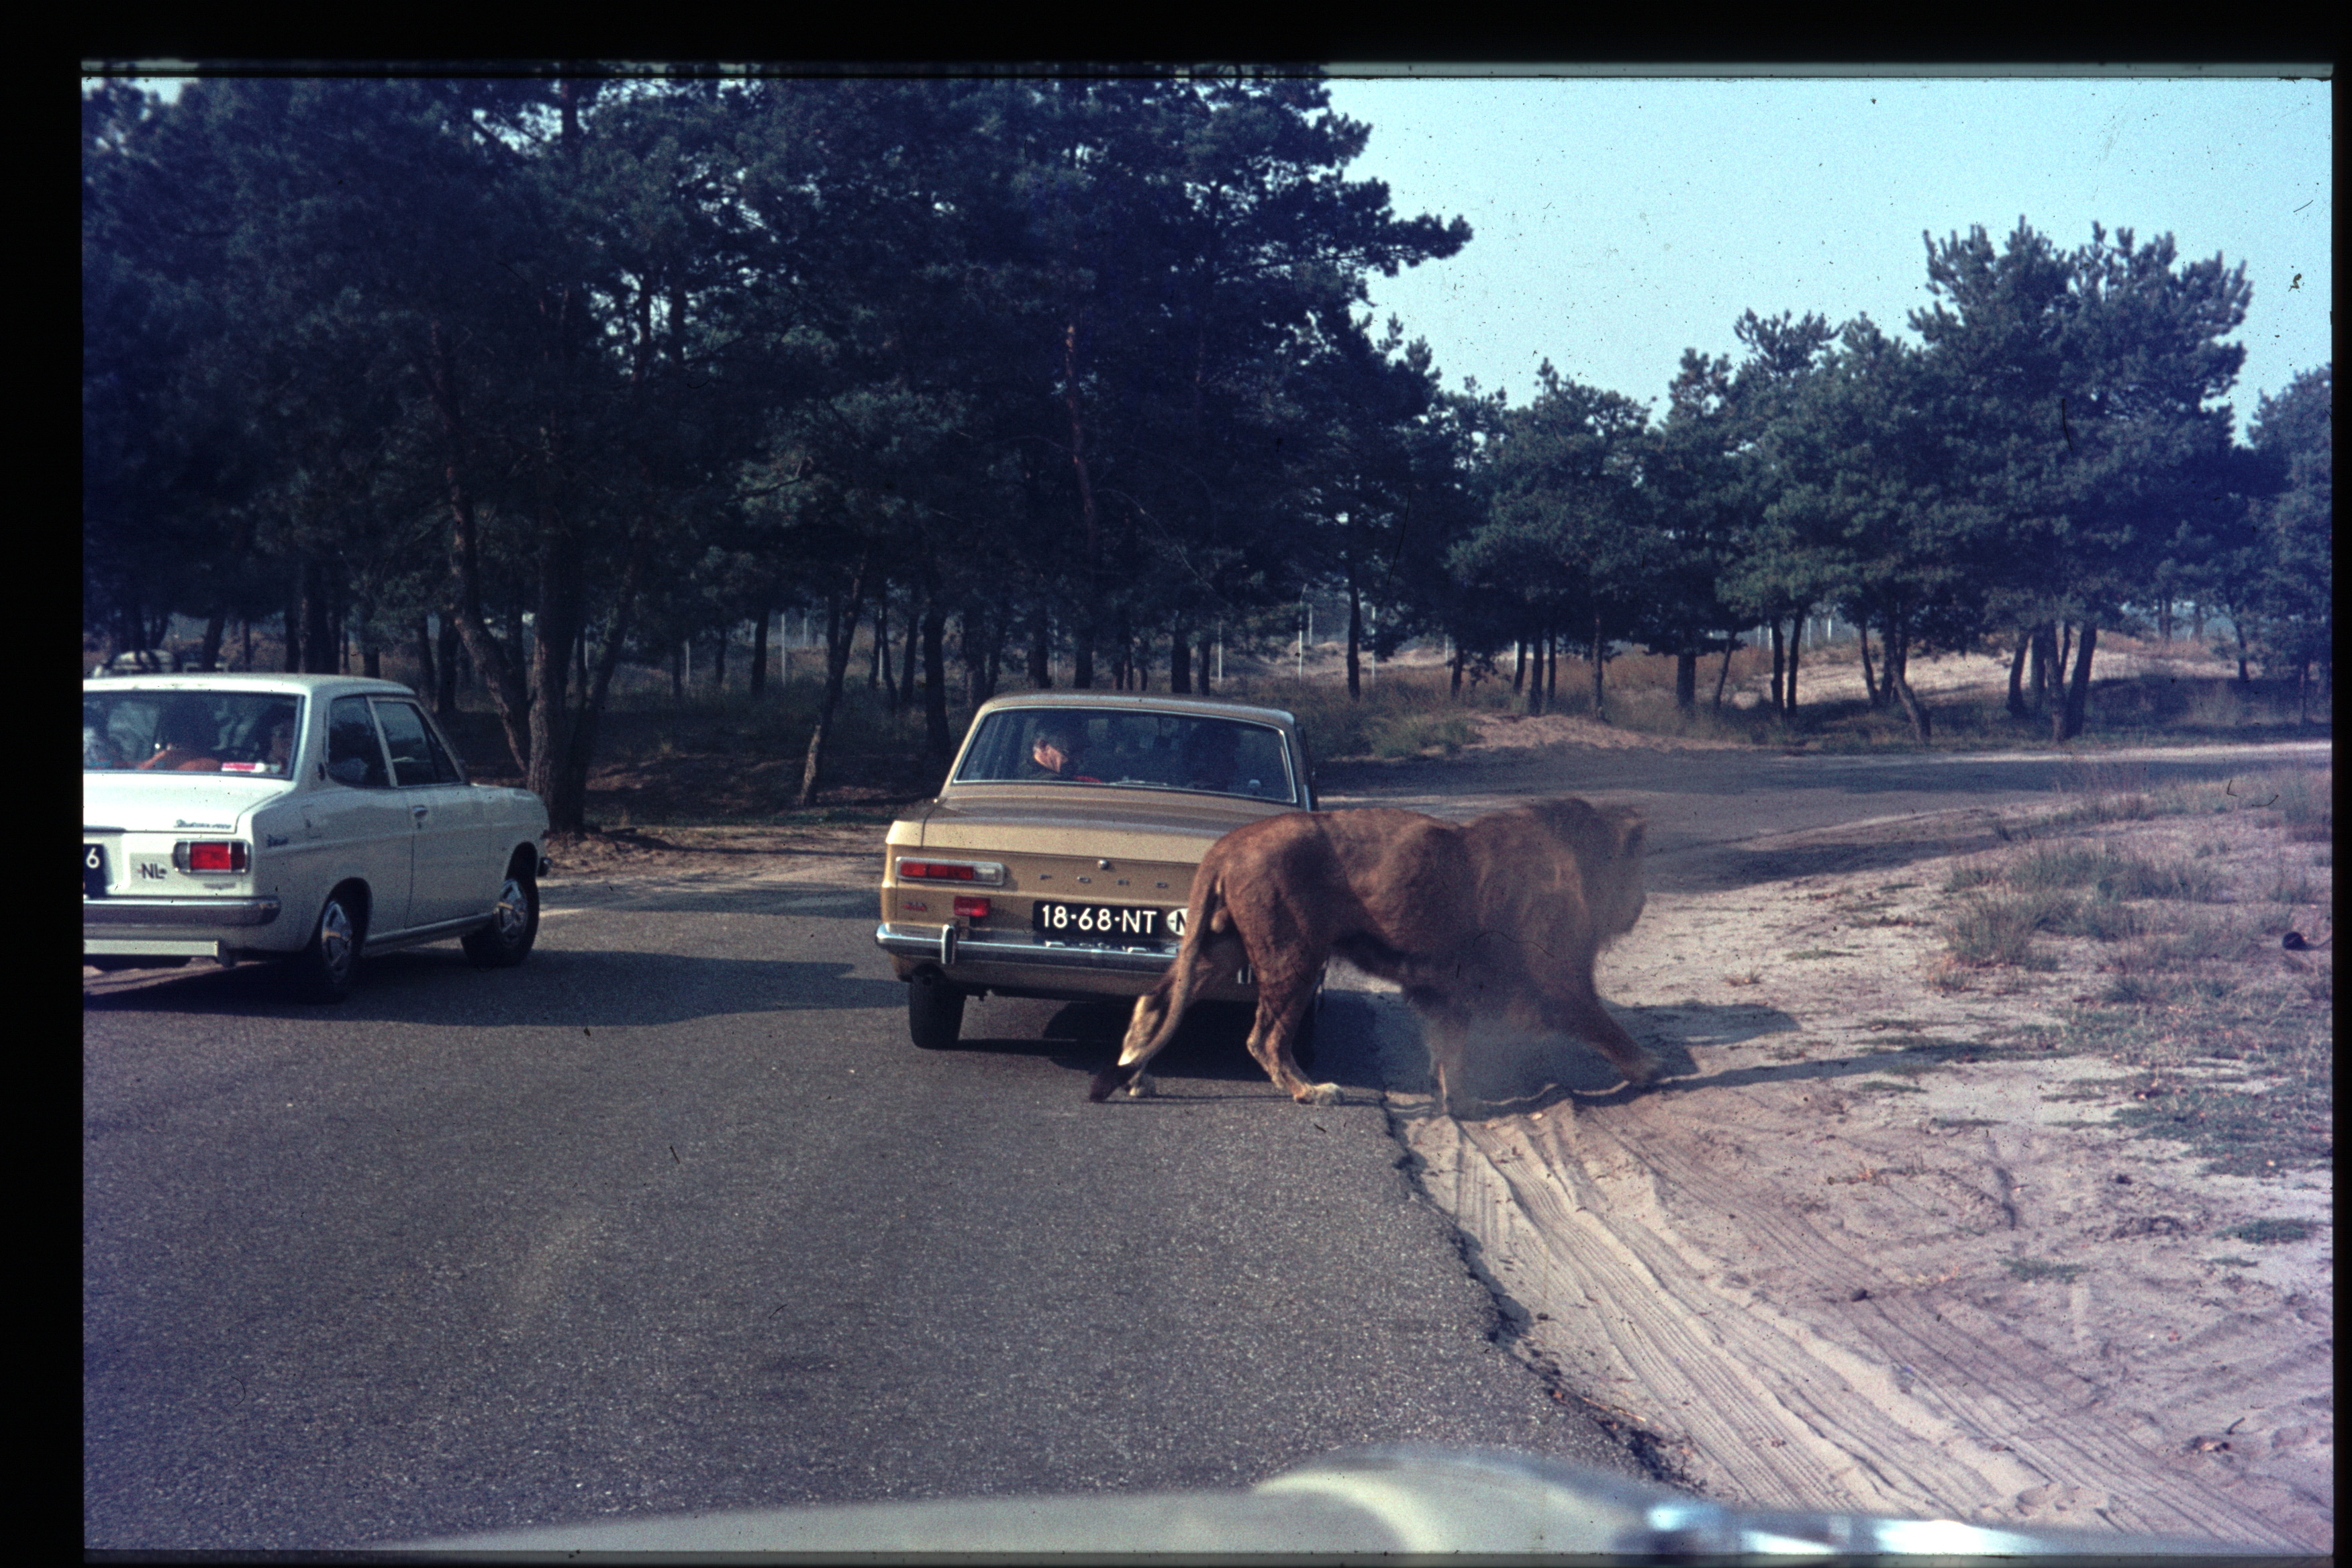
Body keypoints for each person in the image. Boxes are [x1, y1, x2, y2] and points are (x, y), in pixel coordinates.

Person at [138, 700, 222, 772]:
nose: (216, 725)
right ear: (192, 728)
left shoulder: (152, 765)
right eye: (208, 719)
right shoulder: (211, 766)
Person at [1021, 720, 1098, 782]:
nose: (1078, 760)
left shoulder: (1021, 772)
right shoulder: (1047, 782)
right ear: (1043, 746)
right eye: (1071, 752)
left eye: (1082, 752)